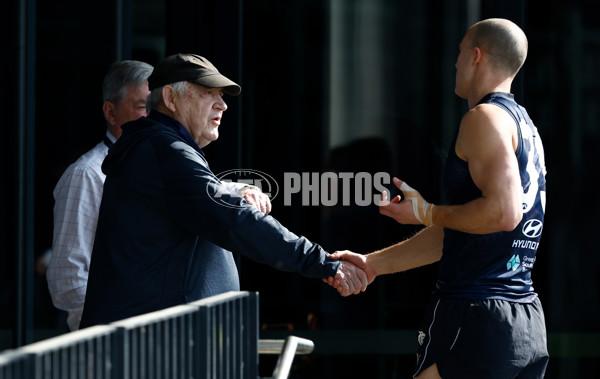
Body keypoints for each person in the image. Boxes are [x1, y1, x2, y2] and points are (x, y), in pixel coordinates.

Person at [328, 18, 549, 378]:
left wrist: (427, 211)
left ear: (476, 56)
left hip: (475, 313)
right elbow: (463, 228)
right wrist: (372, 265)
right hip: (522, 320)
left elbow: (502, 214)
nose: (455, 62)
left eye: (460, 52)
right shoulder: (525, 127)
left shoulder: (484, 118)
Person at [79, 53, 367, 328]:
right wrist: (321, 261)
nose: (223, 105)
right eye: (208, 92)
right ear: (170, 98)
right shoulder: (166, 151)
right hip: (153, 350)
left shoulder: (159, 149)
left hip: (156, 343)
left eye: (222, 96)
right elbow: (235, 220)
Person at [47, 60, 154, 331]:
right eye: (143, 108)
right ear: (111, 111)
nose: (154, 119)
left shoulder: (162, 168)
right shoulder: (86, 174)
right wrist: (117, 335)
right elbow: (68, 280)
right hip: (114, 345)